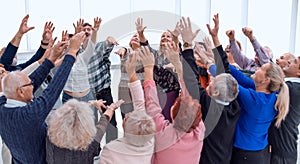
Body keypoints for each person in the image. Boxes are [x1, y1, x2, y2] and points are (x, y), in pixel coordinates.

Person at [207, 14, 289, 164]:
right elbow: (236, 74)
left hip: (246, 156)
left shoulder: (255, 99)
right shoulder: (272, 92)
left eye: (260, 69)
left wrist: (209, 64)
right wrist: (216, 41)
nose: (256, 69)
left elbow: (228, 81)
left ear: (266, 79)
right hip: (259, 153)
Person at [0, 32, 85, 163]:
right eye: (29, 84)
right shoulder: (29, 114)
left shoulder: (3, 104)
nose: (33, 85)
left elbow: (34, 78)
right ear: (21, 92)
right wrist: (72, 52)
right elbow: (54, 87)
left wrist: (51, 59)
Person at [178, 16, 240, 164]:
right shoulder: (234, 105)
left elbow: (191, 79)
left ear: (216, 92)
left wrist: (187, 45)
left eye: (213, 82)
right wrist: (215, 39)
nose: (210, 82)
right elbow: (225, 71)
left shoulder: (209, 106)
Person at [141, 31, 205, 163]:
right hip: (160, 93)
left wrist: (148, 68)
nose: (164, 38)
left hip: (169, 94)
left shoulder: (163, 135)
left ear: (172, 112)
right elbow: (190, 98)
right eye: (162, 36)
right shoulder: (199, 131)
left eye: (167, 36)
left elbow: (153, 108)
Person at [100, 50, 155, 164]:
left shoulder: (112, 150)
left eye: (127, 118)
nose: (129, 114)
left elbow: (139, 106)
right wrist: (132, 73)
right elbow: (140, 104)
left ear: (124, 127)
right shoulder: (151, 144)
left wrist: (108, 112)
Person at [46, 99, 123, 164]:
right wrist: (111, 108)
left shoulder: (50, 136)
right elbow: (103, 122)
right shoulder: (91, 142)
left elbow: (71, 114)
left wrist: (91, 103)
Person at [268, 56, 300, 164]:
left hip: (282, 156)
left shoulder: (293, 89)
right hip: (282, 152)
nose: (289, 61)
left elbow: (266, 82)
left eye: (294, 61)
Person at [88, 36, 119, 143]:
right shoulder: (79, 52)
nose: (87, 32)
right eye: (84, 30)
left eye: (89, 30)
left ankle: (112, 147)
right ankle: (94, 151)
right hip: (89, 94)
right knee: (91, 123)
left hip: (103, 92)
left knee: (110, 121)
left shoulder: (98, 47)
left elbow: (105, 48)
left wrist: (109, 42)